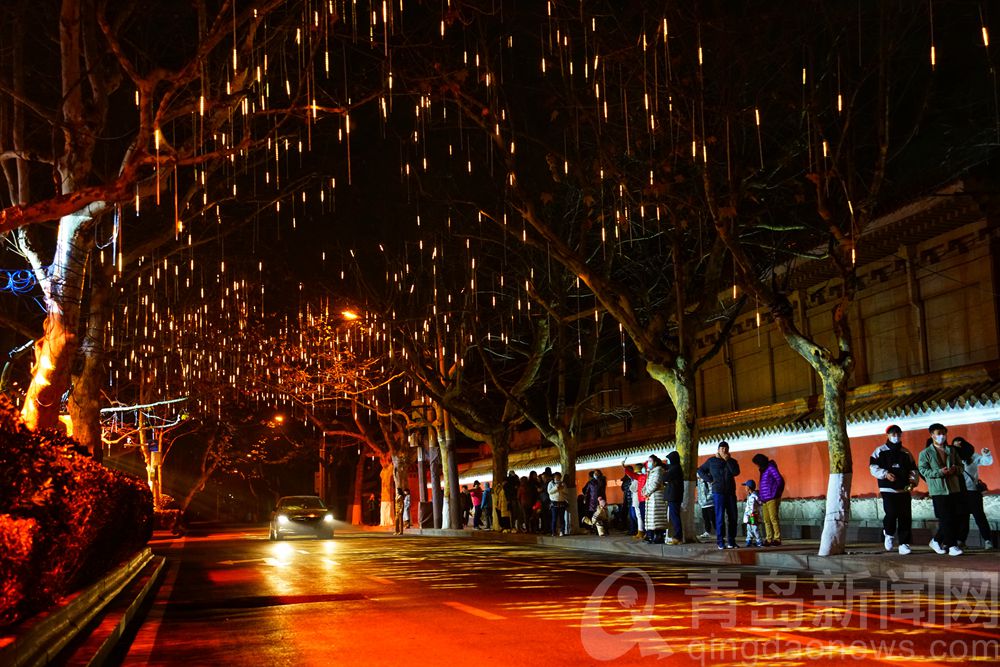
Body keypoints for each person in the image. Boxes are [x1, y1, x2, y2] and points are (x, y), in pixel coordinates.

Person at [868, 425, 918, 555]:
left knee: (905, 516)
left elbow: (913, 469)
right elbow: (873, 467)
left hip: (904, 489)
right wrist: (885, 474)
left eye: (898, 434)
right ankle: (889, 533)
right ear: (887, 435)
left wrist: (913, 481)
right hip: (887, 488)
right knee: (891, 513)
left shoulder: (906, 453)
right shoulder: (880, 451)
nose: (896, 437)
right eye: (893, 434)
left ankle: (904, 543)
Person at [918, 423, 965, 556]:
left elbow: (961, 466)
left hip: (954, 487)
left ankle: (936, 540)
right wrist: (939, 472)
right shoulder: (925, 453)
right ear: (932, 435)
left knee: (954, 518)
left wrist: (956, 469)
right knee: (946, 518)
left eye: (944, 433)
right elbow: (923, 470)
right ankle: (951, 546)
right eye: (939, 433)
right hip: (938, 490)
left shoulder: (952, 450)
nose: (942, 436)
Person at [697, 441, 741, 550]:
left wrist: (728, 461)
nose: (724, 451)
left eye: (726, 449)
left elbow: (736, 472)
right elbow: (700, 470)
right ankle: (720, 542)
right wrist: (710, 480)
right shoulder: (712, 461)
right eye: (722, 449)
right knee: (720, 517)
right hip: (718, 492)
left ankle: (731, 541)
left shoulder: (732, 461)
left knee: (733, 517)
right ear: (718, 450)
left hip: (730, 492)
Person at [955, 437, 994, 550]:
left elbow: (987, 462)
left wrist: (986, 454)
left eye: (959, 445)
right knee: (962, 518)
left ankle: (987, 540)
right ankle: (961, 541)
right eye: (955, 446)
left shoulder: (973, 456)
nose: (958, 448)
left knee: (979, 517)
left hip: (973, 491)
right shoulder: (952, 458)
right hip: (959, 492)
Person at [751, 453, 786, 547]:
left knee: (773, 518)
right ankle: (769, 538)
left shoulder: (771, 468)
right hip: (764, 499)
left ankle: (777, 538)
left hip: (772, 498)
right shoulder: (762, 470)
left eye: (757, 463)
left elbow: (780, 480)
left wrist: (776, 493)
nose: (757, 465)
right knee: (766, 520)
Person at [642, 455, 668, 544]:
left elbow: (655, 484)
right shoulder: (651, 472)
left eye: (650, 461)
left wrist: (647, 492)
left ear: (655, 462)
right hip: (651, 497)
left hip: (656, 497)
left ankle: (659, 536)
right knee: (653, 518)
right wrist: (644, 491)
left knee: (657, 518)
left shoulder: (658, 471)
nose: (648, 463)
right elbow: (647, 483)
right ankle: (651, 536)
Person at [622, 461, 648, 541]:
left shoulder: (638, 478)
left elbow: (633, 488)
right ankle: (640, 531)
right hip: (637, 499)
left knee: (639, 516)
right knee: (639, 516)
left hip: (638, 499)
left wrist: (631, 486)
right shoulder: (640, 476)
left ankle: (641, 531)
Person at [664, 451, 684, 544]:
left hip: (674, 496)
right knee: (674, 516)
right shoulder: (675, 467)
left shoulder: (675, 468)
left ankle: (678, 537)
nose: (667, 462)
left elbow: (665, 478)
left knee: (675, 517)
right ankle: (677, 536)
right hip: (674, 496)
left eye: (668, 460)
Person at [547, 472, 569, 536]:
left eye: (559, 476)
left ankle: (562, 531)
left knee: (562, 518)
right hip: (554, 503)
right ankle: (553, 532)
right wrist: (556, 487)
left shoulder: (563, 483)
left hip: (562, 502)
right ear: (554, 477)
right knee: (554, 518)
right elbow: (549, 492)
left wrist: (561, 489)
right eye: (557, 476)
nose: (558, 478)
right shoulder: (551, 483)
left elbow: (566, 492)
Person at [742, 480, 762, 547]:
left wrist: (752, 513)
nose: (745, 488)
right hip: (749, 516)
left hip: (753, 516)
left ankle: (759, 541)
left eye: (746, 486)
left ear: (749, 487)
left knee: (754, 528)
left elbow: (756, 505)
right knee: (749, 528)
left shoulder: (754, 496)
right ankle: (749, 540)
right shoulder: (749, 496)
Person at [696, 476, 715, 541]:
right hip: (703, 504)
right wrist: (699, 500)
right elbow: (699, 492)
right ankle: (707, 531)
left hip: (710, 503)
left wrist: (706, 498)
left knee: (713, 518)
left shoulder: (707, 481)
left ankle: (719, 531)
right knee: (706, 519)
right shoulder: (698, 482)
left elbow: (711, 490)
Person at [620, 471, 637, 535]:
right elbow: (623, 488)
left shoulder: (633, 480)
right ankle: (632, 530)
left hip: (633, 500)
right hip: (627, 501)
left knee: (634, 516)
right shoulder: (626, 481)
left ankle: (636, 530)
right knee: (631, 516)